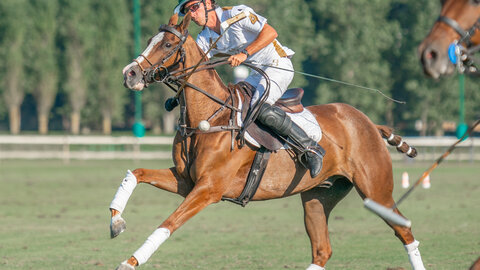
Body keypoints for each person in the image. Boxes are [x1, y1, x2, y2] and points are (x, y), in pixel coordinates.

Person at [174, 0, 325, 177]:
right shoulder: (204, 38)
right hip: (256, 75)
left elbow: (271, 32)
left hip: (277, 64)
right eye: (187, 11)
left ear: (207, 3)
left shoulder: (237, 14)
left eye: (194, 7)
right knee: (233, 104)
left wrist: (244, 54)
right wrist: (179, 91)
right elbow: (196, 66)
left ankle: (310, 149)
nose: (192, 14)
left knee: (260, 108)